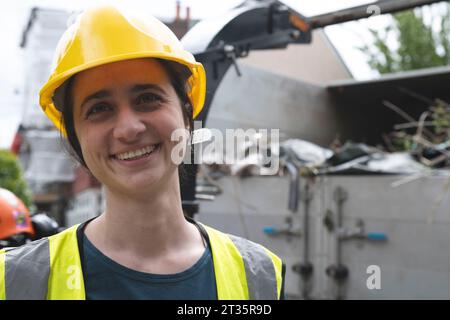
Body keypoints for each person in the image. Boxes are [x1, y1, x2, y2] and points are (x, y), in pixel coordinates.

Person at [0, 5, 285, 300]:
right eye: (99, 109)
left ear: (187, 115)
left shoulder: (260, 277)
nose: (128, 128)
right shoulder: (15, 280)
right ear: (76, 139)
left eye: (148, 98)